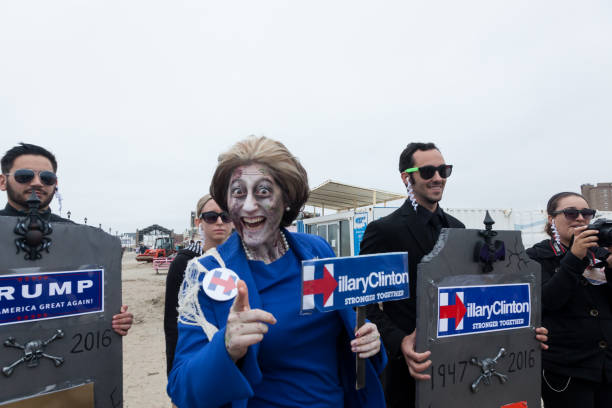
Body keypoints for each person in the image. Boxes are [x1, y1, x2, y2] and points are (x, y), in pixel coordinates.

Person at [167, 136, 386, 407]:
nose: (248, 206)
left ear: (287, 199)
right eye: (238, 192)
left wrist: (369, 341)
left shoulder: (316, 251)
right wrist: (226, 347)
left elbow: (346, 336)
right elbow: (181, 388)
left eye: (263, 191)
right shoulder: (206, 274)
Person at [360, 142, 464, 407]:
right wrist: (398, 341)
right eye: (428, 171)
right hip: (408, 369)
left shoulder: (457, 228)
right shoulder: (383, 231)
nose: (438, 177)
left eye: (443, 170)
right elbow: (364, 302)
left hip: (457, 363)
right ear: (407, 177)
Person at [0, 142, 133, 336]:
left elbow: (88, 306)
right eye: (24, 176)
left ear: (56, 183)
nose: (37, 182)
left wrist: (115, 318)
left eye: (47, 178)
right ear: (3, 181)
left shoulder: (80, 237)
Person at [526, 192, 612, 408]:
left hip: (606, 367)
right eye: (571, 213)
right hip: (566, 370)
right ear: (551, 219)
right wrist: (574, 258)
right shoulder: (535, 257)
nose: (580, 218)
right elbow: (548, 301)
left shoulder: (601, 256)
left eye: (586, 213)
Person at [164, 194, 233, 375]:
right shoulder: (183, 263)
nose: (219, 222)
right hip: (198, 357)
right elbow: (172, 323)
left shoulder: (243, 261)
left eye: (226, 216)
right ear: (198, 222)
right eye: (211, 217)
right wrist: (174, 374)